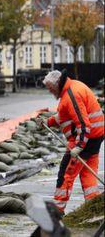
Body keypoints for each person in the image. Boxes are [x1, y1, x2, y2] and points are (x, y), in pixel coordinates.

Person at [41, 69, 104, 213]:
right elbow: (63, 115)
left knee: (66, 174)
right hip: (96, 137)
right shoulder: (71, 88)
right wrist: (48, 122)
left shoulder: (71, 95)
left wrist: (79, 147)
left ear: (57, 84)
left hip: (85, 139)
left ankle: (57, 210)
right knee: (88, 173)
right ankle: (93, 206)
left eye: (50, 89)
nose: (50, 92)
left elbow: (83, 124)